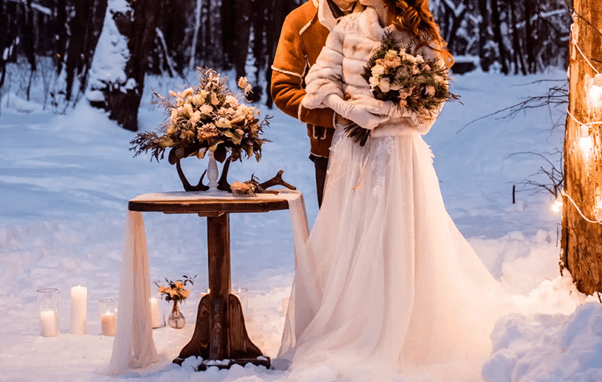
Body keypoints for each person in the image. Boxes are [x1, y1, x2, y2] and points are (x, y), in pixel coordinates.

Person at [276, 0, 506, 381]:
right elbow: (318, 84)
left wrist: (387, 115)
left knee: (401, 240)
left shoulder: (421, 36)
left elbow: (428, 114)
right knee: (351, 241)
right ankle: (354, 323)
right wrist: (348, 111)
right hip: (352, 154)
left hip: (400, 154)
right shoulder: (347, 28)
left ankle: (407, 331)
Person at [271, 0, 364, 207]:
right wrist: (333, 115)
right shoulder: (300, 20)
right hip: (328, 148)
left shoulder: (379, 11)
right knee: (336, 234)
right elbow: (282, 90)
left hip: (383, 145)